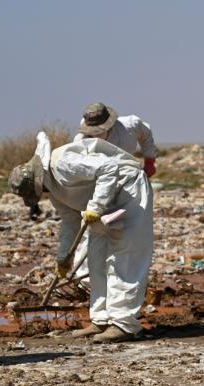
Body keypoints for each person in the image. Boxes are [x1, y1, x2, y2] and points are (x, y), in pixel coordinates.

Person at [9, 132, 154, 343]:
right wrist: (63, 257)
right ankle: (101, 319)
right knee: (97, 259)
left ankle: (125, 324)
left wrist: (95, 207)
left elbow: (108, 168)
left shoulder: (63, 163)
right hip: (102, 203)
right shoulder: (54, 191)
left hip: (128, 189)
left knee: (124, 257)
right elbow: (70, 222)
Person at [71, 102, 159, 284]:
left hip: (128, 182)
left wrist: (149, 159)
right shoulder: (80, 141)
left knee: (127, 229)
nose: (96, 135)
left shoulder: (130, 125)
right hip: (100, 185)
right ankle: (84, 279)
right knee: (91, 228)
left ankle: (123, 275)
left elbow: (146, 133)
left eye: (100, 131)